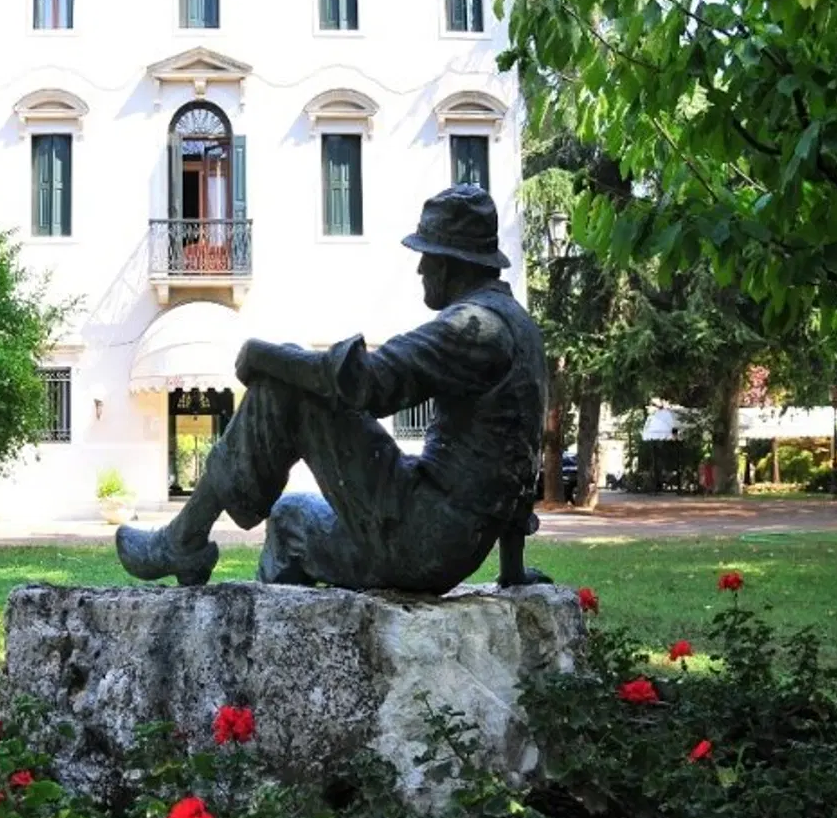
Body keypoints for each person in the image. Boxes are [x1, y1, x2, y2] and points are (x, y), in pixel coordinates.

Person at [116, 185, 551, 594]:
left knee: (287, 388)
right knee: (291, 521)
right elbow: (518, 459)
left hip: (423, 539)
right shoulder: (518, 325)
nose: (420, 268)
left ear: (452, 261)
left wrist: (267, 356)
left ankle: (183, 540)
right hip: (450, 542)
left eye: (427, 256)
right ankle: (266, 638)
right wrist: (512, 570)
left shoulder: (474, 328)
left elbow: (370, 382)